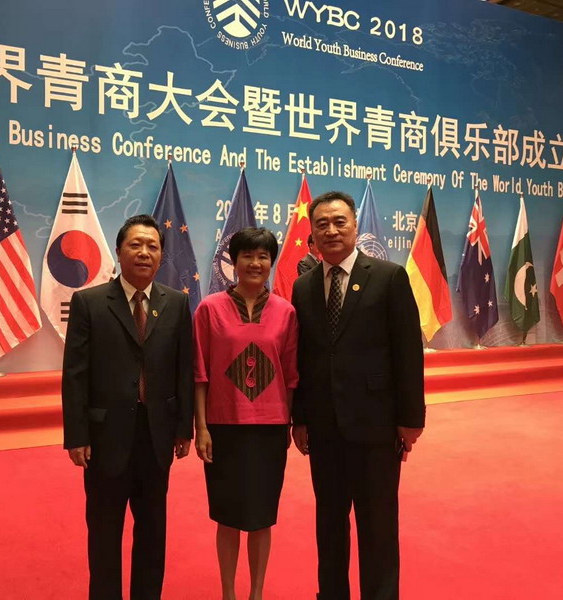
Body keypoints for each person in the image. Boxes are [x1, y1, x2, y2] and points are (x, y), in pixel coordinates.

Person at [290, 192, 425, 600]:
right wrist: (301, 417)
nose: (331, 230)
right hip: (324, 427)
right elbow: (302, 356)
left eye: (339, 222)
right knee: (329, 524)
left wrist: (411, 419)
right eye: (322, 224)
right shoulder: (303, 286)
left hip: (376, 426)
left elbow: (407, 352)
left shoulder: (388, 277)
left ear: (355, 226)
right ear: (312, 233)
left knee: (378, 524)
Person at [63, 214, 194, 600]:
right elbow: (75, 374)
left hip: (157, 436)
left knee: (152, 531)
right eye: (136, 245)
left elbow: (183, 370)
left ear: (161, 255)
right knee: (104, 533)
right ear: (119, 251)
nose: (144, 253)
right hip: (105, 437)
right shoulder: (89, 302)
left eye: (152, 246)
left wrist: (183, 428)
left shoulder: (176, 303)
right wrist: (77, 435)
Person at [193, 227, 299, 600]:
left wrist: (289, 424)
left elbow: (290, 375)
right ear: (234, 262)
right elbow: (200, 373)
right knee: (227, 517)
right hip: (223, 428)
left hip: (270, 429)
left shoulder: (286, 312)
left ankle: (256, 593)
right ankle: (228, 593)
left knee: (261, 517)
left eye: (263, 256)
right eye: (247, 256)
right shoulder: (209, 309)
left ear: (271, 261)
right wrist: (201, 427)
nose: (255, 263)